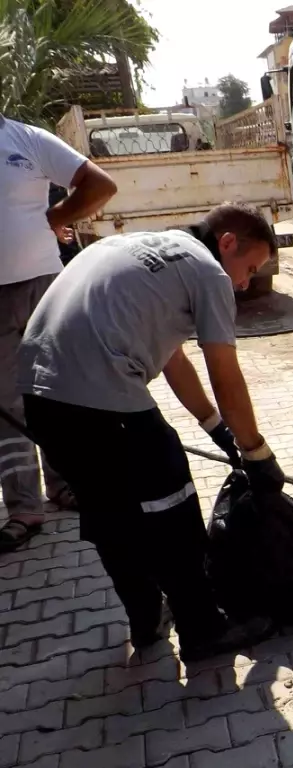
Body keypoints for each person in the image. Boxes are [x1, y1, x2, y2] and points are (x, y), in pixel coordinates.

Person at [17, 203, 285, 663]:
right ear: (226, 243)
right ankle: (203, 628)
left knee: (109, 510)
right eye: (249, 267)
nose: (243, 283)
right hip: (98, 397)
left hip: (40, 397)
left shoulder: (138, 248)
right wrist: (256, 452)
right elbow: (224, 372)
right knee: (172, 503)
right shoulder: (208, 273)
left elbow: (172, 360)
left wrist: (214, 427)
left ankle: (145, 620)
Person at [0, 113, 117, 553]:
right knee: (6, 404)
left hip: (45, 286)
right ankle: (24, 508)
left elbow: (100, 185)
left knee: (54, 390)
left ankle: (66, 485)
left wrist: (57, 215)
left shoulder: (26, 138)